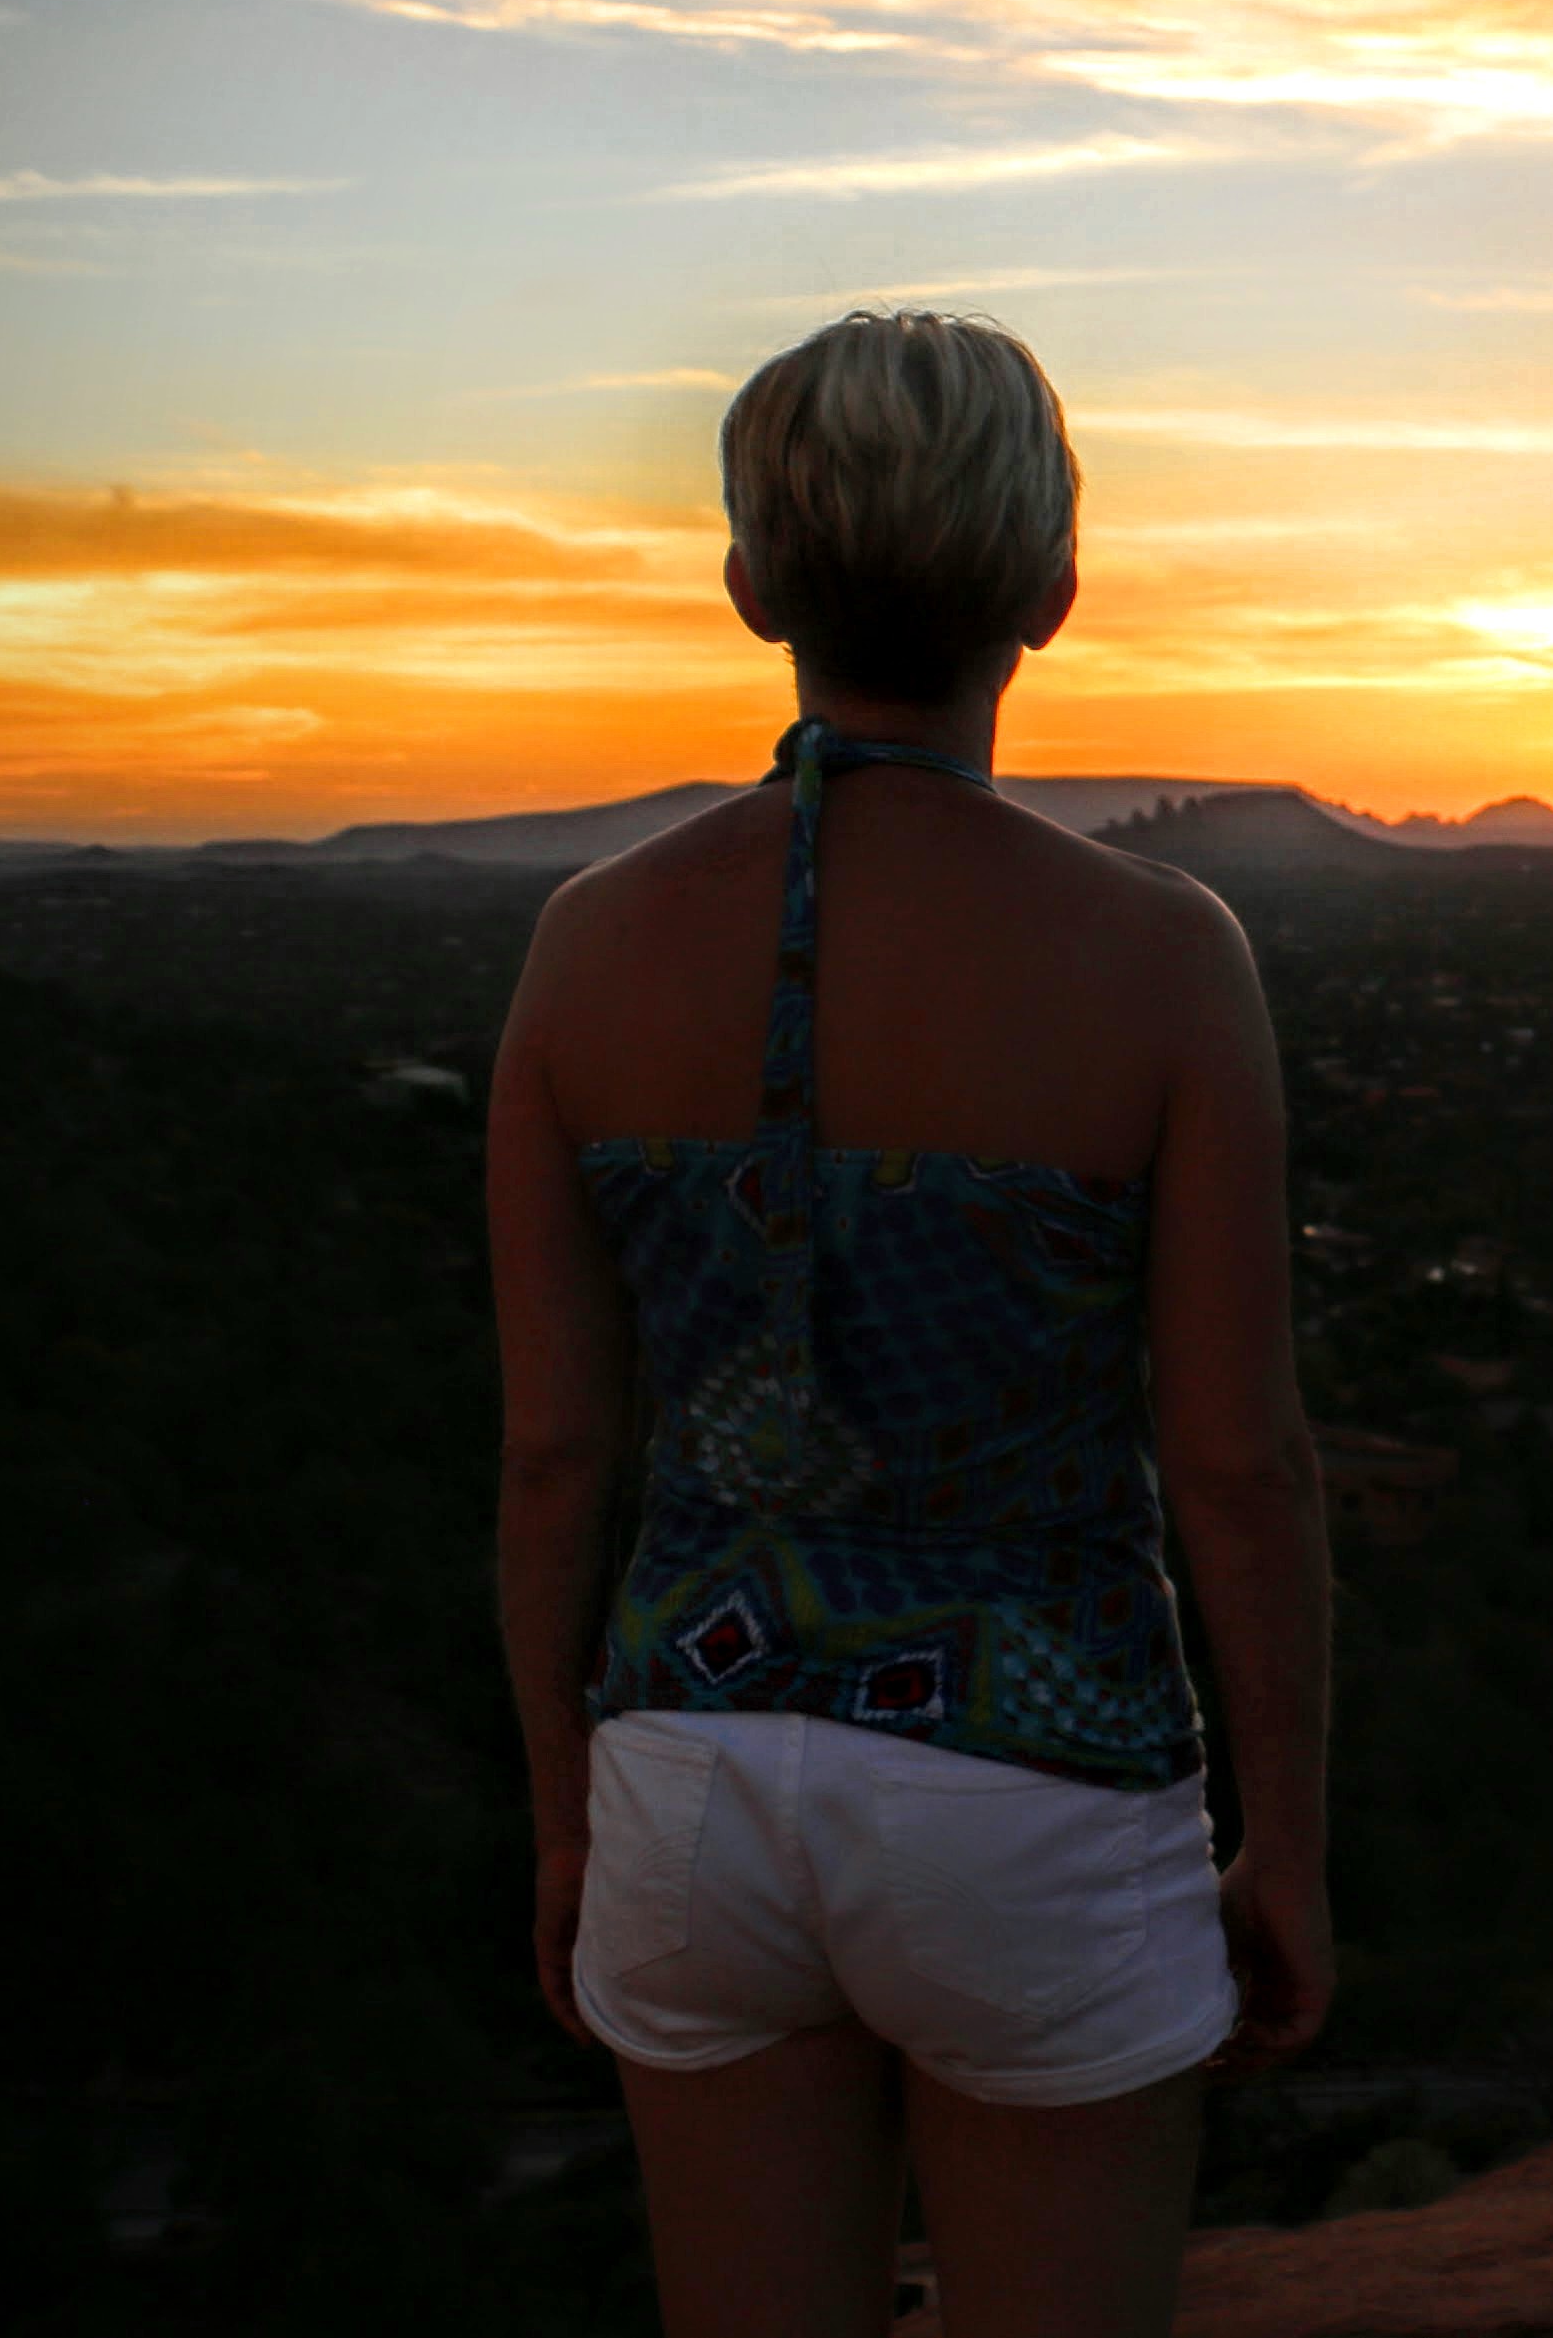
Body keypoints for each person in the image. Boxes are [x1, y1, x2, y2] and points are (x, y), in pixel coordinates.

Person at [491, 310, 1332, 2338]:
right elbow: (1231, 1461)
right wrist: (1286, 1841)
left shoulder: (586, 944)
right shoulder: (1159, 955)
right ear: (1051, 585)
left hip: (688, 1771)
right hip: (1037, 1778)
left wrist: (560, 1812)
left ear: (750, 582)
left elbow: (553, 1455)